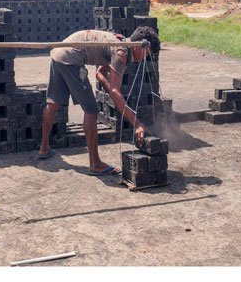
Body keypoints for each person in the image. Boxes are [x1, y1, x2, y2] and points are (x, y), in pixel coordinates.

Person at [35, 26, 161, 176]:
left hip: (59, 54)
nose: (145, 57)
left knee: (53, 102)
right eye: (147, 52)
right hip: (71, 59)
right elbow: (115, 91)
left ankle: (44, 149)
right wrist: (137, 123)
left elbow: (99, 74)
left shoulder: (118, 43)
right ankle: (95, 164)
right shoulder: (120, 53)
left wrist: (113, 91)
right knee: (92, 110)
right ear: (139, 44)